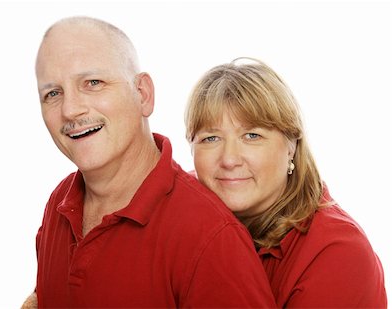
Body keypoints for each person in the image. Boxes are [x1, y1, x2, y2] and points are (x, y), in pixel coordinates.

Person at [21, 17, 276, 308]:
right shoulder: (60, 203)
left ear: (143, 94)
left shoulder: (210, 239)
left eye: (93, 83)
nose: (70, 109)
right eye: (52, 94)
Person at [185, 57, 387, 308]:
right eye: (211, 138)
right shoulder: (182, 212)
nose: (229, 160)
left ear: (291, 146)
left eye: (252, 135)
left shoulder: (339, 252)